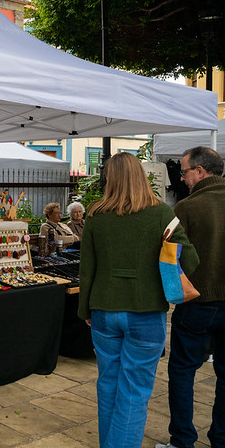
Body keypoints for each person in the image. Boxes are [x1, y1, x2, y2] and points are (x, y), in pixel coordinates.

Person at [78, 152, 198, 448]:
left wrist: (85, 310)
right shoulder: (160, 213)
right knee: (134, 392)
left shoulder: (94, 214)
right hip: (145, 312)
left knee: (108, 386)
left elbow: (87, 268)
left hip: (104, 310)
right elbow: (191, 260)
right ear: (141, 176)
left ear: (109, 178)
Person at [158, 147, 225, 448]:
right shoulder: (186, 205)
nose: (182, 179)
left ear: (200, 171)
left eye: (184, 172)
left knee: (182, 372)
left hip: (197, 303)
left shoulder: (186, 208)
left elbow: (168, 258)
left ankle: (182, 441)